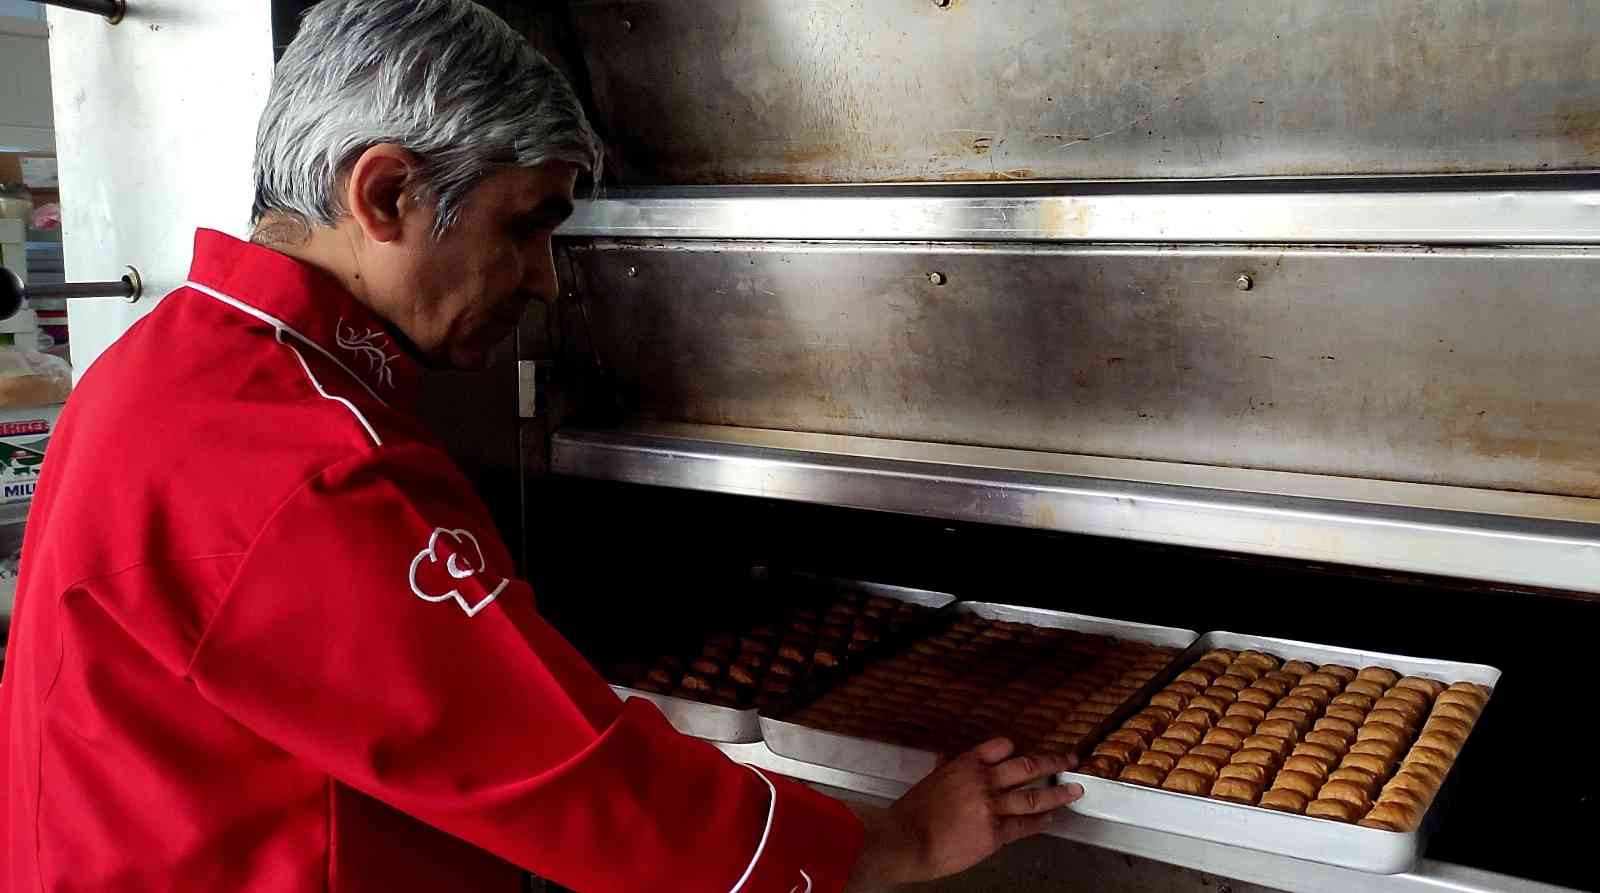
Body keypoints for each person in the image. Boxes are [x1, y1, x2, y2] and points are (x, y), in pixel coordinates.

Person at [0, 1, 1083, 890]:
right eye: (526, 224)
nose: (543, 280)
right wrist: (896, 843)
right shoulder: (300, 459)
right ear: (385, 192)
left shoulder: (169, 366)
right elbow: (573, 777)